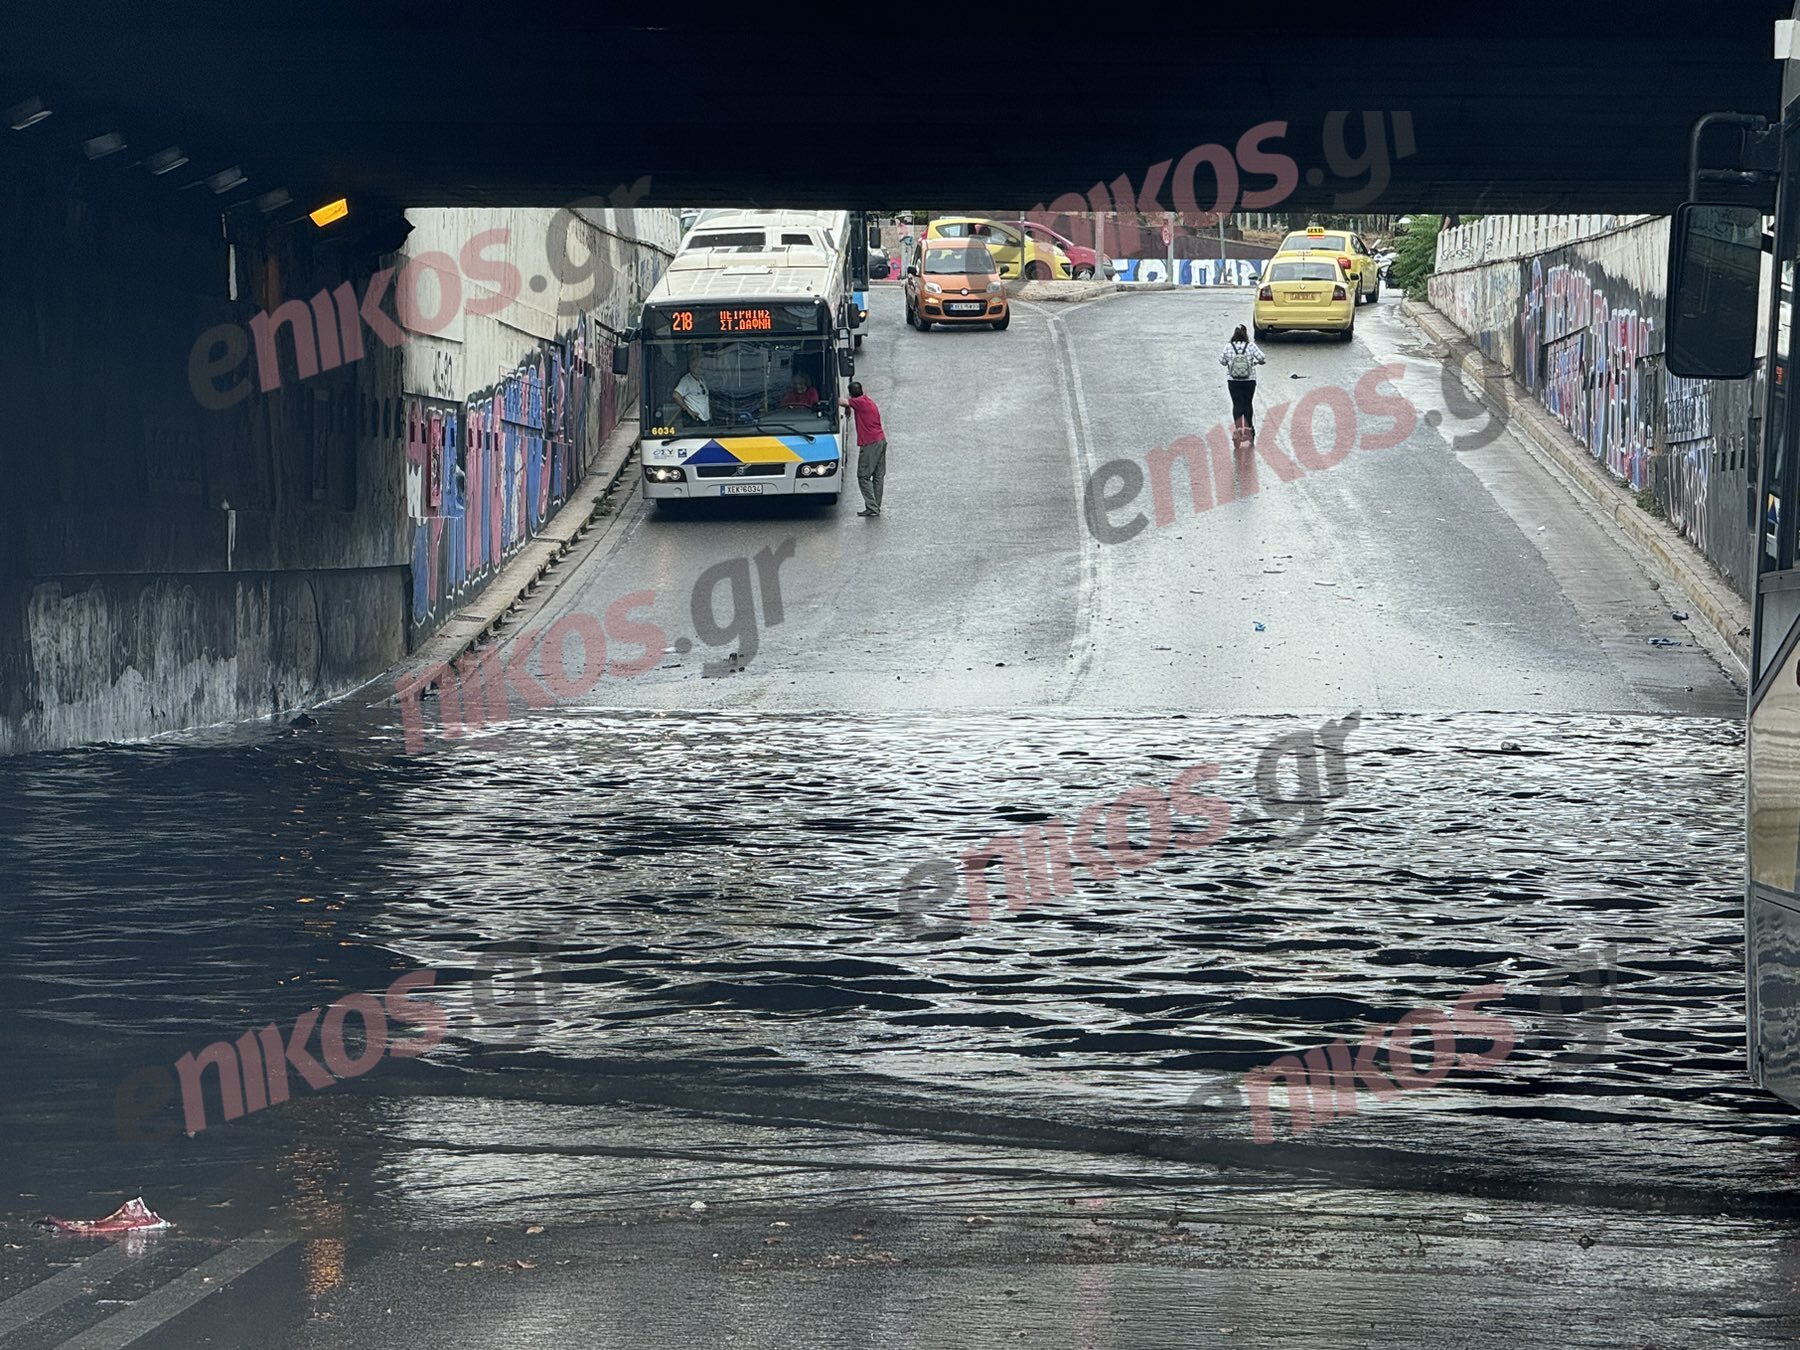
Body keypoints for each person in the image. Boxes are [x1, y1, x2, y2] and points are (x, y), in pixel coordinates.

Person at [839, 380, 887, 517]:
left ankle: (872, 507)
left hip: (870, 443)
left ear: (851, 393)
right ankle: (875, 505)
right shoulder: (866, 400)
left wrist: (847, 405)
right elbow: (849, 404)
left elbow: (841, 401)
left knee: (863, 476)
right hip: (881, 440)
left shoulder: (858, 402)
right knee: (878, 476)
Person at [1219, 324, 1267, 436]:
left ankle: (1238, 429)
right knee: (1248, 403)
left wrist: (1229, 363)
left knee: (1237, 404)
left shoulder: (1228, 346)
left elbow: (1222, 361)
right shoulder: (1251, 346)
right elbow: (1261, 357)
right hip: (1249, 380)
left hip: (1233, 381)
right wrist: (1257, 362)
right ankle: (1249, 428)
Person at [673, 350, 710, 425]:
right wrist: (689, 411)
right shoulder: (686, 380)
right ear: (690, 366)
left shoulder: (702, 379)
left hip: (705, 419)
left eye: (700, 366)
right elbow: (676, 395)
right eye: (696, 365)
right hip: (694, 419)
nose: (698, 368)